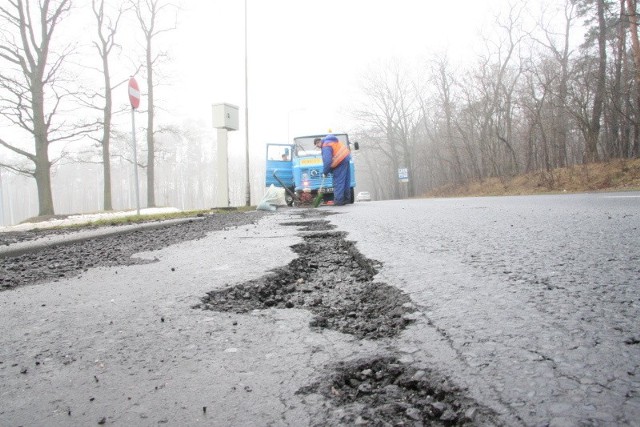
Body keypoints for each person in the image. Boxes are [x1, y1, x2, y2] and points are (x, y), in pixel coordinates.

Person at [315, 134, 351, 205]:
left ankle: (339, 201)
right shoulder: (331, 141)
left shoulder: (326, 146)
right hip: (346, 158)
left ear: (319, 142)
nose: (318, 147)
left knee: (338, 181)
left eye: (317, 145)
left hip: (340, 162)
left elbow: (327, 161)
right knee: (346, 181)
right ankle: (346, 199)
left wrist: (325, 172)